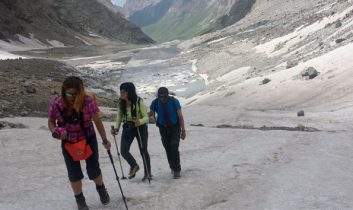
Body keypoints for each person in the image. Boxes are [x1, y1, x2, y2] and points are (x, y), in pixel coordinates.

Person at [48, 76, 112, 210]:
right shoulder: (56, 103)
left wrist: (105, 140)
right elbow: (51, 121)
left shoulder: (88, 101)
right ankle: (80, 201)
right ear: (63, 91)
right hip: (68, 141)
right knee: (74, 173)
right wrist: (55, 131)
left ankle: (101, 190)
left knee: (93, 169)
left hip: (88, 138)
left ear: (81, 91)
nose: (71, 97)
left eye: (75, 94)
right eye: (68, 93)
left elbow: (97, 121)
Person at [111, 82, 152, 181]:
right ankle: (134, 165)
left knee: (143, 150)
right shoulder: (121, 102)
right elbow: (119, 116)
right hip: (128, 127)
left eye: (124, 91)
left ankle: (148, 173)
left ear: (129, 92)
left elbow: (146, 117)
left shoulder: (138, 102)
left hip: (140, 127)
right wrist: (117, 128)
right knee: (124, 151)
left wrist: (140, 121)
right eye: (121, 91)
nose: (121, 93)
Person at [149, 87, 186, 179]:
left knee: (174, 146)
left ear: (167, 95)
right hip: (163, 128)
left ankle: (177, 169)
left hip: (175, 128)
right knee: (168, 148)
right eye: (161, 98)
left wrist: (183, 130)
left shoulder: (174, 101)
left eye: (164, 97)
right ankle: (172, 167)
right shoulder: (155, 102)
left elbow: (180, 116)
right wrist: (141, 118)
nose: (163, 99)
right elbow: (150, 113)